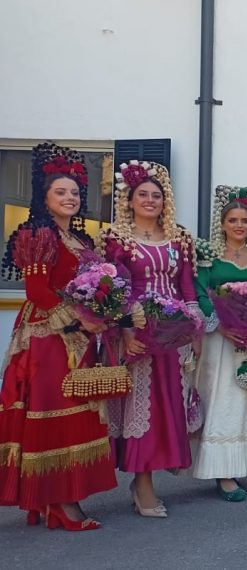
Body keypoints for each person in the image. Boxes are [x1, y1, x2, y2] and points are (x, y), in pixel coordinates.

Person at [0, 143, 116, 530]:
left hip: (80, 336)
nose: (70, 198)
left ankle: (60, 499)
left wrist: (103, 311)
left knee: (79, 412)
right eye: (60, 192)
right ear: (44, 197)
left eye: (75, 193)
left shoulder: (83, 241)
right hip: (49, 339)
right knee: (54, 413)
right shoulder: (38, 234)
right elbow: (37, 292)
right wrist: (80, 321)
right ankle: (59, 503)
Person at [101, 159, 200, 518]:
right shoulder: (116, 239)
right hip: (137, 333)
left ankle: (151, 475)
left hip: (173, 334)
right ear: (129, 199)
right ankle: (142, 483)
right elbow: (115, 289)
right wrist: (125, 331)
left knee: (165, 408)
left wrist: (194, 327)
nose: (149, 200)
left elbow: (186, 286)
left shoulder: (180, 237)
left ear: (165, 201)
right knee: (140, 411)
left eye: (156, 195)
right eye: (142, 194)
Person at [188, 186, 247, 501]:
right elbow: (199, 292)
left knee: (246, 400)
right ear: (222, 223)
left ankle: (241, 463)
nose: (239, 225)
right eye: (233, 220)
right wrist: (221, 324)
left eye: (245, 220)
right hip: (221, 340)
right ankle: (222, 473)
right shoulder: (209, 258)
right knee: (222, 399)